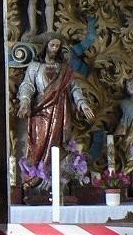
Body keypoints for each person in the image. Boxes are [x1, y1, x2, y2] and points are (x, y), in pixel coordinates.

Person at [16, 34, 95, 181]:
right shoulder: (35, 66)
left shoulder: (64, 69)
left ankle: (55, 177)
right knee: (38, 143)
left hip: (60, 112)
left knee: (59, 146)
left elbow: (74, 88)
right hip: (40, 111)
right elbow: (27, 85)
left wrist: (82, 104)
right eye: (52, 45)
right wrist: (25, 103)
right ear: (46, 46)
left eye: (57, 46)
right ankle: (36, 177)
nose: (54, 49)